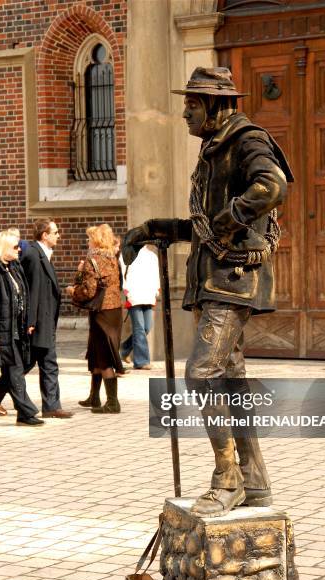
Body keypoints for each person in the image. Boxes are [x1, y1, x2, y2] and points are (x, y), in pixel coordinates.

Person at [122, 67, 293, 517]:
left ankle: (227, 479)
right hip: (214, 281)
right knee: (231, 381)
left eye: (192, 104)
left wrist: (232, 216)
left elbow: (273, 186)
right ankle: (254, 481)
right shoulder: (213, 150)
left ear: (216, 106)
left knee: (201, 373)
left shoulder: (245, 141)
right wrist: (151, 229)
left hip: (232, 282)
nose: (184, 113)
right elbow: (202, 226)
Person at [67, 224, 124, 414]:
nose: (88, 241)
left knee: (104, 355)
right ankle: (94, 396)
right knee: (96, 352)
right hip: (114, 311)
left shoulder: (92, 259)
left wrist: (73, 290)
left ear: (96, 240)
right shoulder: (114, 259)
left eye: (90, 238)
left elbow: (88, 290)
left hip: (100, 312)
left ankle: (112, 402)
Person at [20, 219, 73, 419]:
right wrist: (30, 322)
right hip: (39, 321)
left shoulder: (43, 254)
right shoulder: (33, 254)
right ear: (45, 235)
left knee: (46, 362)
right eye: (55, 232)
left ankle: (51, 406)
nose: (58, 235)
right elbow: (31, 291)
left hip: (46, 320)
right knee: (27, 364)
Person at [0, 231, 43, 425]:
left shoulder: (14, 268)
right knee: (15, 370)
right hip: (0, 331)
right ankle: (26, 413)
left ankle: (24, 413)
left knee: (15, 370)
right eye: (15, 247)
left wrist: (28, 322)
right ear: (4, 248)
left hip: (15, 329)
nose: (19, 249)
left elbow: (23, 297)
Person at [119, 245, 160, 370]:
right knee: (139, 328)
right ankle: (141, 361)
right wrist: (126, 290)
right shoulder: (127, 253)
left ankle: (124, 349)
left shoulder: (152, 256)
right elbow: (122, 272)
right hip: (134, 295)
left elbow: (156, 275)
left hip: (148, 295)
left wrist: (156, 290)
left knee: (147, 327)